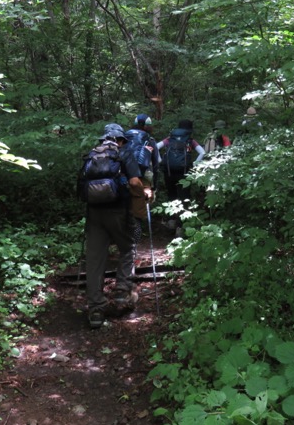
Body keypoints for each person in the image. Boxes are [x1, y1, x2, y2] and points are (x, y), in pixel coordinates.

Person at [78, 123, 144, 328]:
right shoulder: (123, 154)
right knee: (128, 246)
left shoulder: (90, 156)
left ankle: (96, 310)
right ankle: (122, 292)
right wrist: (143, 195)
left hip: (94, 214)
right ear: (120, 140)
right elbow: (134, 182)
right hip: (118, 212)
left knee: (95, 260)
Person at [156, 120, 205, 227]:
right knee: (184, 198)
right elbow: (202, 152)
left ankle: (171, 222)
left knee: (171, 195)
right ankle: (180, 226)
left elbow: (155, 147)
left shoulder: (169, 139)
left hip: (169, 172)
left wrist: (161, 162)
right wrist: (194, 165)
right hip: (184, 173)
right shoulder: (190, 140)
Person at [125, 113, 159, 258]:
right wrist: (154, 186)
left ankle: (124, 248)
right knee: (137, 216)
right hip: (142, 180)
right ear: (147, 126)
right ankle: (132, 250)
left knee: (124, 213)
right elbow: (156, 164)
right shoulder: (149, 140)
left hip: (124, 179)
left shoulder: (124, 138)